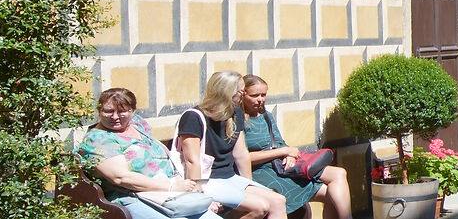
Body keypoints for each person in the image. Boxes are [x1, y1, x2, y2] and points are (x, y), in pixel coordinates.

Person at [78, 87, 222, 219]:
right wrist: (171, 187)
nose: (115, 117)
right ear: (99, 111)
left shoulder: (137, 123)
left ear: (133, 111)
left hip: (171, 193)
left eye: (122, 111)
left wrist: (193, 193)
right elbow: (121, 178)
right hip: (132, 197)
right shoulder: (97, 139)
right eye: (108, 111)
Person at [172, 70, 287, 219]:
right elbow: (192, 161)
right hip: (207, 180)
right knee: (260, 207)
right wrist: (198, 197)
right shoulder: (193, 117)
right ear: (228, 93)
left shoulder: (235, 113)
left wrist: (249, 184)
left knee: (278, 201)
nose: (243, 95)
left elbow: (241, 155)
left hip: (230, 178)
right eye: (242, 91)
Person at [236, 75, 353, 219]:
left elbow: (279, 142)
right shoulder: (238, 120)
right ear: (243, 94)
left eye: (263, 94)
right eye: (255, 95)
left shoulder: (265, 115)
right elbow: (243, 157)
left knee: (339, 174)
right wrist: (283, 151)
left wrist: (289, 155)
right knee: (328, 193)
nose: (260, 99)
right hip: (261, 173)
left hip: (279, 166)